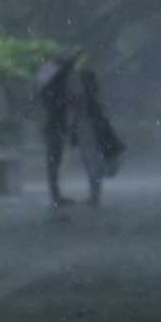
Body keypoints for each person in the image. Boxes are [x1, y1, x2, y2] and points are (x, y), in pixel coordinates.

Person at [73, 68, 124, 207]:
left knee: (93, 165)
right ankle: (94, 196)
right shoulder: (86, 97)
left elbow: (88, 116)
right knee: (92, 165)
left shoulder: (87, 98)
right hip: (88, 133)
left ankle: (94, 196)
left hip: (90, 134)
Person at [38, 51, 81, 210]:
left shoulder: (52, 87)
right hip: (53, 126)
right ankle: (55, 197)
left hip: (54, 126)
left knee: (54, 161)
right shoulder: (55, 88)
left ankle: (56, 196)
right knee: (54, 161)